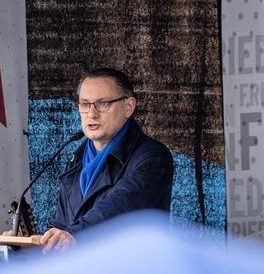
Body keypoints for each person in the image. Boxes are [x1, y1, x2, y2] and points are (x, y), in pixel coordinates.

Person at [38, 68, 173, 253]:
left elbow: (121, 206)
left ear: (129, 107)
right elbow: (61, 227)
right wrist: (30, 244)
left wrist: (75, 235)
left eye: (103, 103)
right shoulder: (76, 161)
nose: (91, 114)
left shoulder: (152, 156)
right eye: (85, 104)